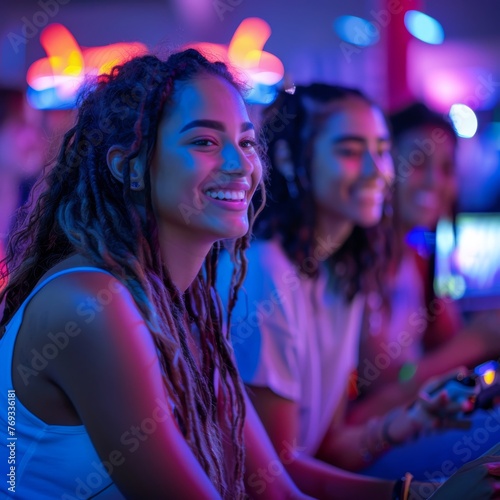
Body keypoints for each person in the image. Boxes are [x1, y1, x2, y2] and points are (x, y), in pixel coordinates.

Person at [0, 48, 311, 499]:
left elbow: (277, 493)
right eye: (204, 141)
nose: (240, 164)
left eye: (245, 142)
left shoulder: (185, 307)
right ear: (128, 166)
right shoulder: (91, 303)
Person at [216, 84, 482, 499]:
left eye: (381, 150)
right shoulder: (263, 272)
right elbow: (271, 478)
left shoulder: (342, 273)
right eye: (351, 151)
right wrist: (414, 495)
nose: (379, 170)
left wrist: (413, 419)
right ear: (287, 160)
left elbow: (329, 446)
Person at [347, 102, 500, 481]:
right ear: (384, 168)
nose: (435, 181)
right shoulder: (353, 268)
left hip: (418, 426)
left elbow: (443, 353)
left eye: (447, 169)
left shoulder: (418, 260)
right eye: (418, 163)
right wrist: (478, 339)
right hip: (365, 451)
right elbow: (380, 393)